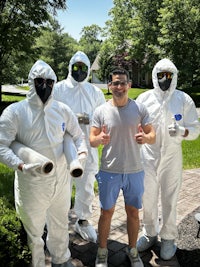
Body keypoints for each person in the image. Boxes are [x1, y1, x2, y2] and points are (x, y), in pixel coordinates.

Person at [0, 60, 88, 267]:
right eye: (39, 81)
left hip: (61, 180)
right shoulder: (15, 112)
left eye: (49, 82)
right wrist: (20, 165)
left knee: (59, 223)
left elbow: (77, 136)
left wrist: (81, 152)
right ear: (31, 81)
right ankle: (37, 262)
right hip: (32, 182)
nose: (44, 86)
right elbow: (2, 145)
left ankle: (61, 258)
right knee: (34, 230)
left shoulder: (63, 110)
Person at [89, 68, 156, 267]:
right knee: (106, 212)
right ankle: (102, 252)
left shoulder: (139, 109)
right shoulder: (101, 111)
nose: (119, 86)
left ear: (129, 85)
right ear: (109, 86)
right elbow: (92, 140)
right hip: (109, 171)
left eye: (122, 83)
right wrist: (99, 139)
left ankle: (132, 249)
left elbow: (153, 134)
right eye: (115, 83)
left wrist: (145, 137)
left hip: (135, 170)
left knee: (133, 212)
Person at [136, 58, 200, 260]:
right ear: (155, 76)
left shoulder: (183, 99)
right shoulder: (144, 99)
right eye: (161, 75)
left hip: (172, 157)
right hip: (148, 155)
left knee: (170, 198)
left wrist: (182, 131)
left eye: (168, 75)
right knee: (148, 197)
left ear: (174, 77)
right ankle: (150, 232)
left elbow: (196, 130)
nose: (164, 79)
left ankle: (169, 237)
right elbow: (133, 126)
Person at [54, 51, 106, 243]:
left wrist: (88, 119)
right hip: (61, 146)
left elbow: (103, 118)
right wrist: (71, 119)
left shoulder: (95, 92)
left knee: (86, 184)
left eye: (83, 67)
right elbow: (51, 113)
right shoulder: (59, 88)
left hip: (88, 146)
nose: (79, 71)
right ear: (70, 67)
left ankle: (82, 221)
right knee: (61, 184)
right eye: (76, 67)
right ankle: (58, 221)